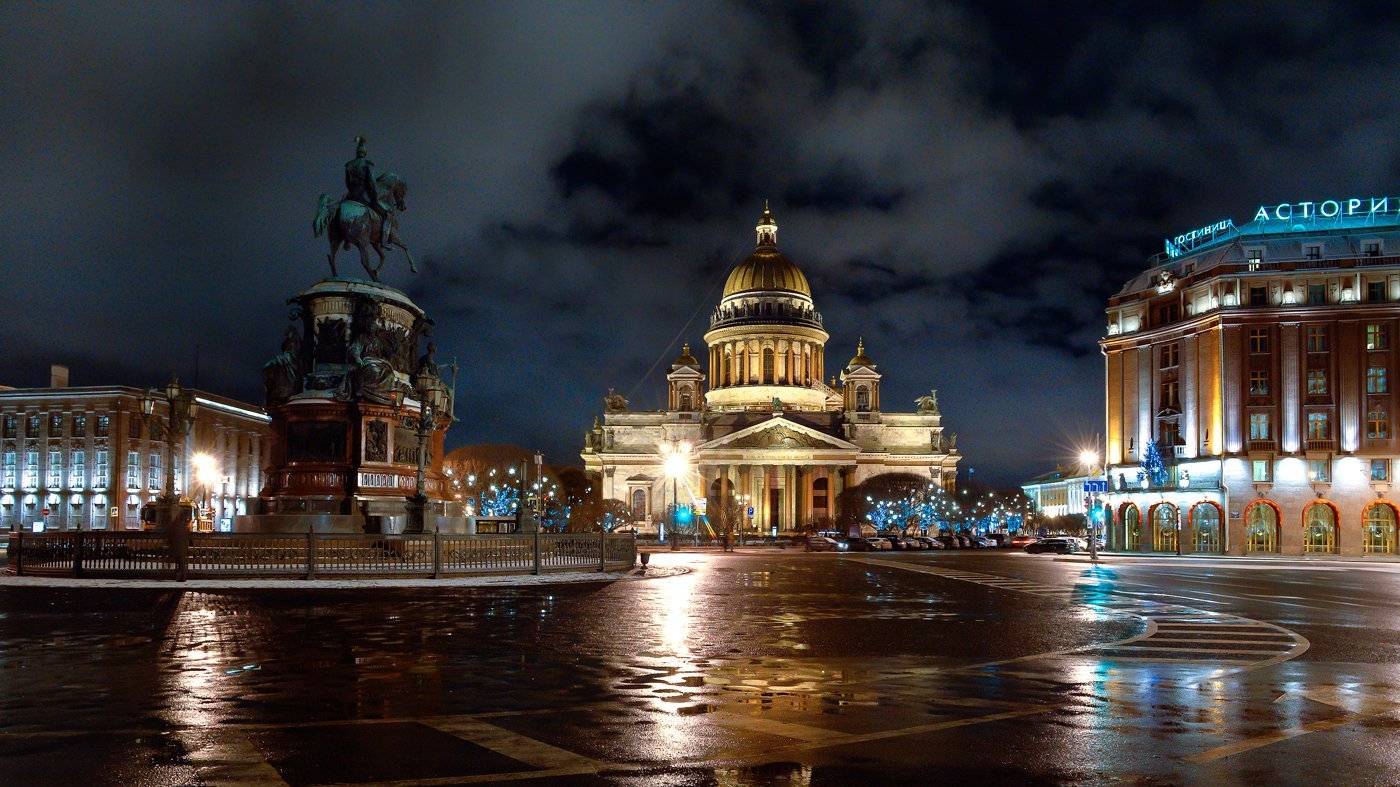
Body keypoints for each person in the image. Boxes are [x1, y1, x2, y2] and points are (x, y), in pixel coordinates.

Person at [345, 136, 390, 227]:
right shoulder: (367, 164)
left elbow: (347, 182)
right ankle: (383, 237)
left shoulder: (349, 165)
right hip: (363, 194)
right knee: (384, 214)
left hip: (351, 194)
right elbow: (371, 181)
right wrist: (375, 194)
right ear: (365, 153)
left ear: (357, 152)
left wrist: (352, 189)